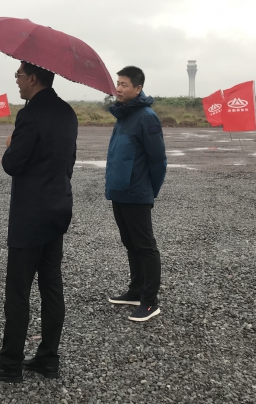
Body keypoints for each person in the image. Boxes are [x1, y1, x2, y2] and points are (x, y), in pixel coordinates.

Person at [0, 61, 78, 383]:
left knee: (18, 291)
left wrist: (10, 146)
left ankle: (10, 364)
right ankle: (48, 359)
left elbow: (12, 164)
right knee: (51, 285)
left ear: (33, 78)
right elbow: (68, 162)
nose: (16, 80)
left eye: (18, 75)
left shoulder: (30, 115)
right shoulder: (67, 112)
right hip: (57, 208)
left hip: (31, 214)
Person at [105, 66, 167, 322]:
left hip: (137, 192)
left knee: (145, 246)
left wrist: (149, 191)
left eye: (124, 85)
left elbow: (158, 160)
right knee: (129, 243)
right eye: (117, 84)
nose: (118, 89)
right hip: (119, 191)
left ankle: (150, 302)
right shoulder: (123, 115)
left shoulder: (146, 117)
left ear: (138, 88)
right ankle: (135, 290)